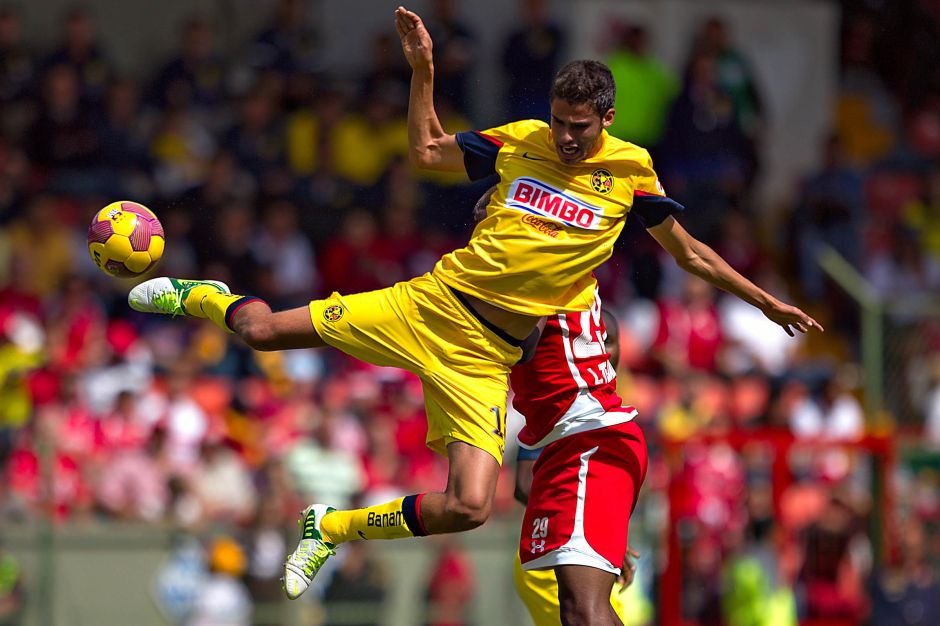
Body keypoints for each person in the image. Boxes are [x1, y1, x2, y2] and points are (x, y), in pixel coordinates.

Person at [126, 6, 821, 617]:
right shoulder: (524, 140)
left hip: (487, 357)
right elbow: (427, 152)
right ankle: (196, 292)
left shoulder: (632, 172)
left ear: (607, 120)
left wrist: (765, 302)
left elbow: (691, 254)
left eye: (579, 127)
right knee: (262, 331)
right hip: (433, 303)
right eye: (559, 122)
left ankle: (329, 529)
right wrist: (422, 69)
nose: (566, 138)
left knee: (468, 505)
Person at [510, 287, 642, 626]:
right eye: (601, 339)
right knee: (584, 612)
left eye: (611, 341)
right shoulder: (568, 403)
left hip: (582, 535)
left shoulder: (609, 407)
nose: (605, 348)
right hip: (555, 547)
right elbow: (524, 484)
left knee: (589, 612)